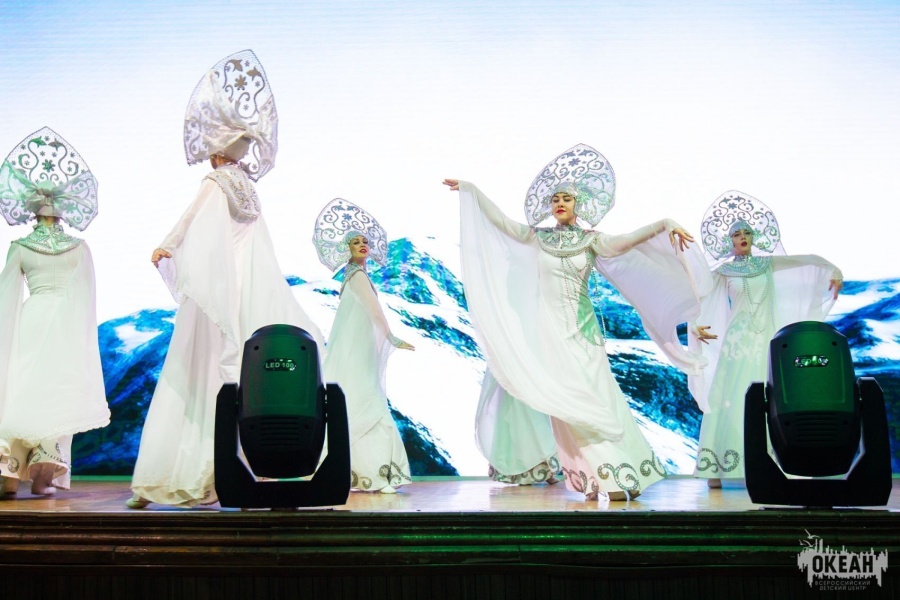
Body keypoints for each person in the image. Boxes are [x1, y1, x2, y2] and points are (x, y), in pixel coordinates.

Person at [444, 143, 709, 501]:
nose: (559, 203)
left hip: (582, 333)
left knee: (598, 401)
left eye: (566, 198)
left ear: (577, 205)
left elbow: (629, 241)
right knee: (568, 407)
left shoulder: (592, 241)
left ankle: (622, 471)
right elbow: (501, 224)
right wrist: (472, 192)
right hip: (549, 335)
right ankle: (596, 477)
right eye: (555, 199)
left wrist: (664, 224)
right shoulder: (537, 238)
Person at [127, 50, 324, 508]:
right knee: (236, 373)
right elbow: (240, 236)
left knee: (197, 370)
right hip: (244, 284)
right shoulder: (246, 189)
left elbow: (191, 219)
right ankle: (232, 467)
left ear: (216, 153)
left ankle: (186, 471)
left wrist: (168, 246)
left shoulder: (219, 184)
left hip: (220, 285)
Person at [689, 191, 842, 488]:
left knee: (771, 396)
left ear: (753, 237)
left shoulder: (768, 264)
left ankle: (777, 460)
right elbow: (698, 296)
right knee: (730, 395)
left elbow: (806, 261)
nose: (742, 237)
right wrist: (695, 326)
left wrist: (833, 271)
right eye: (737, 234)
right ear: (730, 240)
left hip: (766, 339)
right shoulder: (723, 271)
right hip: (737, 342)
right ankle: (717, 466)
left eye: (747, 232)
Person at [0, 127, 110, 497]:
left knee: (21, 389)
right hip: (65, 325)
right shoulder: (79, 247)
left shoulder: (20, 245)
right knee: (56, 393)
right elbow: (86, 298)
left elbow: (5, 296)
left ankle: (9, 473)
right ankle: (43, 476)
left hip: (31, 319)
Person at [313, 199, 414, 493]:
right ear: (347, 249)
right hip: (357, 356)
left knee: (362, 402)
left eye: (364, 241)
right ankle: (376, 474)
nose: (362, 245)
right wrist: (391, 337)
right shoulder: (357, 276)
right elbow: (375, 312)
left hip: (357, 353)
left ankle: (364, 472)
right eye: (355, 242)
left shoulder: (354, 276)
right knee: (367, 402)